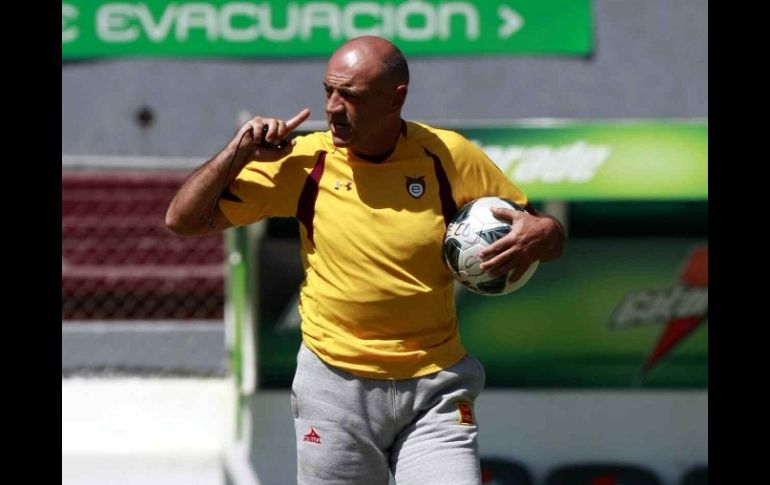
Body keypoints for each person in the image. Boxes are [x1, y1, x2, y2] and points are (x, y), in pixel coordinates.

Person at [166, 35, 565, 485]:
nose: (333, 107)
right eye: (328, 91)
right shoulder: (304, 162)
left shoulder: (449, 156)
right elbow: (182, 219)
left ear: (396, 98)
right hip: (334, 387)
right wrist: (237, 152)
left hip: (435, 387)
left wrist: (548, 230)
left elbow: (537, 233)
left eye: (350, 95)